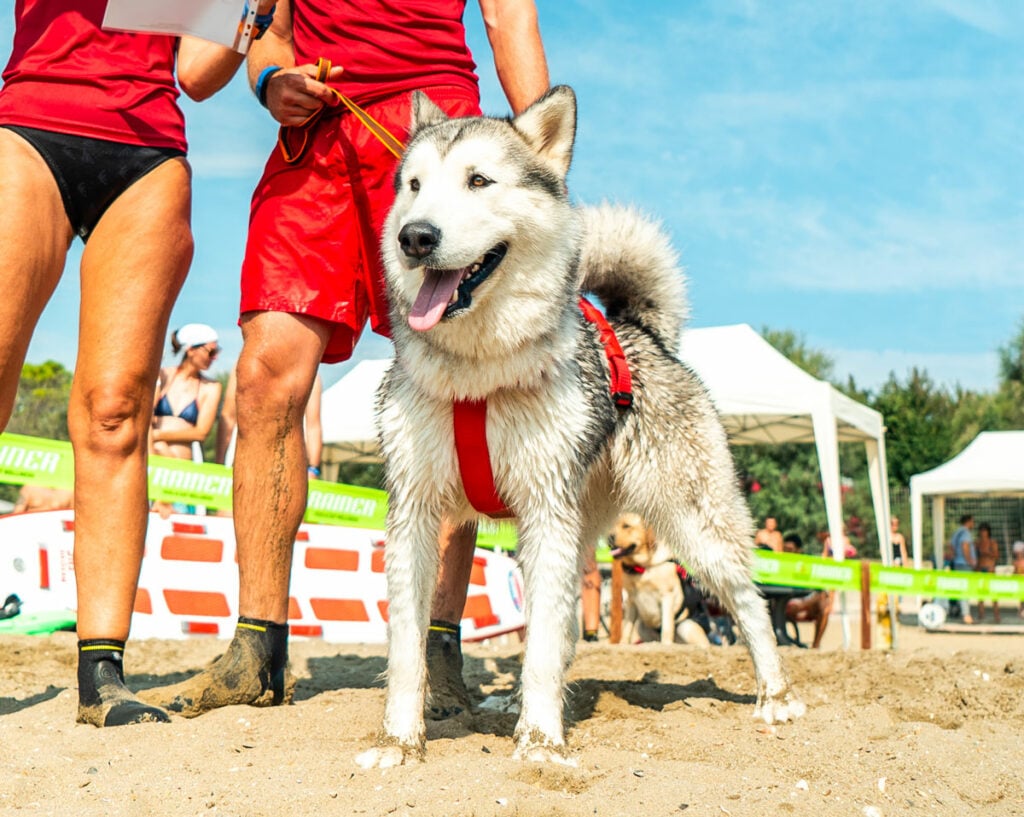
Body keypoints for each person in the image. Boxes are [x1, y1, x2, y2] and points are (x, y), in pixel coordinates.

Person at [141, 0, 550, 720]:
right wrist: (272, 83)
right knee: (264, 377)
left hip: (432, 134)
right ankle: (256, 649)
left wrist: (542, 166)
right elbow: (268, 31)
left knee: (457, 387)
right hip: (316, 140)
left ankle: (439, 649)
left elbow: (508, 18)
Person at [0, 0, 276, 727]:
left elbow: (197, 73)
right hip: (33, 128)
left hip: (148, 152)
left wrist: (249, 9)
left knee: (117, 409)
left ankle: (102, 675)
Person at [216, 365, 323, 477]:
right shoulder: (244, 366)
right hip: (246, 457)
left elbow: (313, 426)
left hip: (287, 461)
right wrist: (219, 462)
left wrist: (313, 469)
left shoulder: (309, 373)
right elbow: (228, 416)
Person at [950, 514, 976, 623]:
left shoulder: (957, 532)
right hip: (964, 564)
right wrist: (969, 560)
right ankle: (966, 615)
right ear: (968, 521)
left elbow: (950, 546)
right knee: (965, 588)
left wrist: (956, 556)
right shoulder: (965, 533)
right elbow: (965, 545)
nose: (973, 524)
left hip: (957, 563)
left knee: (959, 588)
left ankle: (960, 611)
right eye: (972, 521)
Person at [974, 522, 1001, 624]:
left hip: (990, 569)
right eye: (981, 530)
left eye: (984, 530)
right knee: (980, 594)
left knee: (993, 593)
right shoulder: (977, 543)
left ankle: (997, 615)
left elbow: (996, 555)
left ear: (988, 532)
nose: (983, 533)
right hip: (980, 569)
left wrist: (987, 553)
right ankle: (981, 614)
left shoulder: (992, 542)